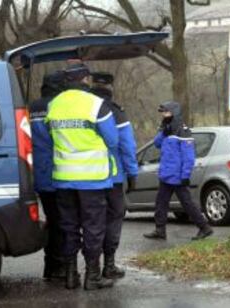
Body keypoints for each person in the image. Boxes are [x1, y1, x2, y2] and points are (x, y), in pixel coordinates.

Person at [45, 63, 119, 290]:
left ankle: (70, 275)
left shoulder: (54, 104)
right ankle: (93, 276)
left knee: (68, 226)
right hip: (92, 178)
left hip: (63, 178)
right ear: (86, 80)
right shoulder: (96, 104)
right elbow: (113, 140)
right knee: (93, 227)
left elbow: (50, 136)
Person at [91, 72, 138, 279]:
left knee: (91, 221)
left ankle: (85, 268)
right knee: (114, 218)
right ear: (110, 88)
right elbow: (127, 146)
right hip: (113, 177)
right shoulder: (117, 112)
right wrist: (132, 173)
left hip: (86, 177)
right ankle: (109, 265)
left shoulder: (84, 108)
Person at [143, 101, 213, 241]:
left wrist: (185, 175)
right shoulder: (166, 128)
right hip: (166, 175)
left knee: (187, 204)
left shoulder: (183, 130)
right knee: (161, 203)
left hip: (178, 176)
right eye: (162, 112)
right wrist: (163, 132)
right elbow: (157, 144)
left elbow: (189, 156)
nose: (163, 115)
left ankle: (204, 228)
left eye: (166, 112)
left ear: (174, 112)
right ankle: (160, 230)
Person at [29, 71, 66, 280]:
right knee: (62, 222)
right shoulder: (59, 107)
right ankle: (59, 267)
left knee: (52, 219)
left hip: (39, 174)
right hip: (59, 172)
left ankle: (50, 266)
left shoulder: (31, 108)